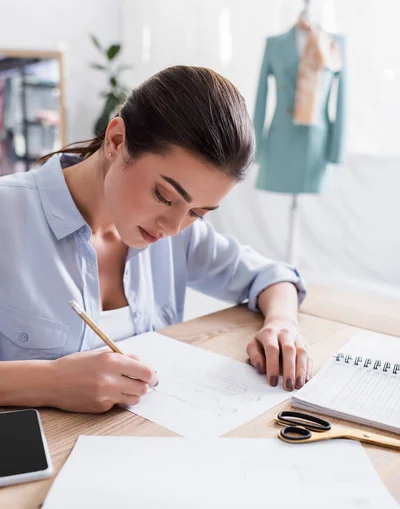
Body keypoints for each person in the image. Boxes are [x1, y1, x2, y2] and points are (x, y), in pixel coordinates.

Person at [0, 65, 311, 414]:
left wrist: (282, 324)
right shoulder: (8, 214)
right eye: (164, 196)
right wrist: (51, 381)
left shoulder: (179, 236)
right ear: (116, 140)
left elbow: (271, 275)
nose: (174, 227)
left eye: (198, 212)